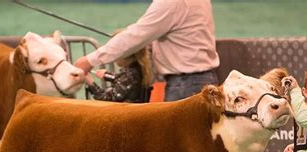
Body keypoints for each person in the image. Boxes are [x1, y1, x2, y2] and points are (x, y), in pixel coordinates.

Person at [75, 0, 219, 101]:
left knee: (177, 142)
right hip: (202, 80)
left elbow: (137, 35)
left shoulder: (170, 2)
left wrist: (91, 59)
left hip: (185, 86)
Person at [84, 43, 152, 103]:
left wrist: (90, 83)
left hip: (128, 115)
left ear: (125, 54)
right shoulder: (138, 67)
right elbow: (124, 81)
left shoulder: (130, 75)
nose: (113, 57)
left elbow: (106, 99)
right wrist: (107, 75)